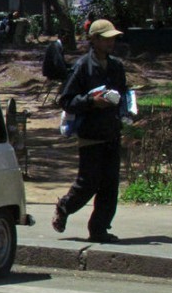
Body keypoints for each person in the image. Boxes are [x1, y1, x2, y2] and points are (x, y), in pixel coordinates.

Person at [52, 19, 128, 243]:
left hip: (112, 131)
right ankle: (65, 206)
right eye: (106, 39)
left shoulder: (116, 66)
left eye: (113, 38)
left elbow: (122, 94)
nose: (111, 43)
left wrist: (126, 111)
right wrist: (92, 101)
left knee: (110, 185)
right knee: (89, 182)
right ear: (94, 40)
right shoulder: (82, 66)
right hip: (90, 134)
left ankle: (99, 229)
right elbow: (66, 100)